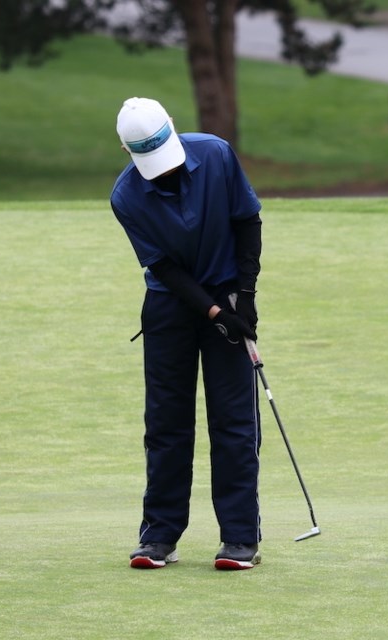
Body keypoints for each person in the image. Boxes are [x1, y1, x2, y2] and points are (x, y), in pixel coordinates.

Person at [110, 97, 264, 571]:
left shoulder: (216, 153)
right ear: (127, 151)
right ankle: (159, 536)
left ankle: (240, 538)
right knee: (166, 425)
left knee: (234, 422)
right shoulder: (125, 197)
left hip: (228, 293)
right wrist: (214, 310)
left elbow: (247, 220)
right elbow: (164, 268)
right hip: (169, 308)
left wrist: (244, 294)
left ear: (174, 130)